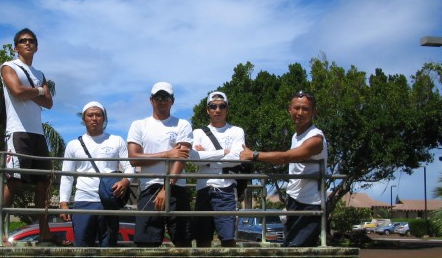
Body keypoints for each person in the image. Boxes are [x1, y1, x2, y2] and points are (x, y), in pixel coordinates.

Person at [239, 90, 328, 247]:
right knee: (291, 248)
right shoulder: (296, 136)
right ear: (289, 109)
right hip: (294, 200)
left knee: (296, 250)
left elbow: (285, 157)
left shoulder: (316, 139)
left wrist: (253, 155)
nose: (300, 113)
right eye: (296, 108)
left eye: (305, 109)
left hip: (311, 203)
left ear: (314, 112)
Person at [0, 28, 54, 244]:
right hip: (18, 131)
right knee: (15, 181)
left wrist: (34, 93)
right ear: (15, 47)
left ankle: (44, 230)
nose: (28, 43)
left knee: (44, 183)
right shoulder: (9, 66)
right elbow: (17, 91)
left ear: (36, 46)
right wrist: (38, 91)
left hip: (38, 133)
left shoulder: (39, 74)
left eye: (31, 41)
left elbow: (49, 102)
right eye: (23, 40)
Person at [58, 102, 134, 247]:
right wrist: (63, 203)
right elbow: (67, 176)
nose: (94, 118)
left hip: (108, 201)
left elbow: (129, 167)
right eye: (90, 115)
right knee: (82, 248)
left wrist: (125, 181)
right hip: (83, 201)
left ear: (104, 118)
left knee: (108, 248)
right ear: (84, 118)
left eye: (98, 115)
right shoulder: (73, 145)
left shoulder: (116, 140)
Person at [127, 82, 193, 247]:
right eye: (158, 97)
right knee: (146, 245)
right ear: (151, 100)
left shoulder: (183, 124)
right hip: (148, 188)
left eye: (166, 97)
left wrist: (166, 188)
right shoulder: (138, 125)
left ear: (172, 101)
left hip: (176, 188)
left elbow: (181, 159)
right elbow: (134, 158)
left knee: (183, 244)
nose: (162, 101)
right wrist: (167, 154)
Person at [191, 91, 246, 247]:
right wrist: (222, 153)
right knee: (202, 240)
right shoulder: (198, 132)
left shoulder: (236, 131)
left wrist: (207, 159)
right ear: (207, 110)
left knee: (228, 240)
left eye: (222, 106)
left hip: (226, 190)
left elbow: (237, 158)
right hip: (203, 189)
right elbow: (194, 158)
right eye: (213, 106)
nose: (217, 110)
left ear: (227, 109)